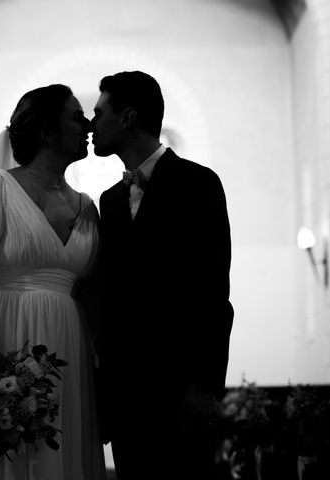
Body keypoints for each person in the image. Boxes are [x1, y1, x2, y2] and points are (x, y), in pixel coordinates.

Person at [0, 84, 106, 480]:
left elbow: (90, 291)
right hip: (8, 341)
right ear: (47, 132)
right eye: (77, 116)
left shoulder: (87, 206)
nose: (88, 124)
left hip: (69, 347)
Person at [91, 71, 234, 479]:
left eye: (99, 113)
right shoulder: (110, 201)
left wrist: (205, 385)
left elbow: (212, 292)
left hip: (182, 394)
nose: (91, 123)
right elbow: (113, 301)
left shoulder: (199, 184)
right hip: (128, 401)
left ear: (128, 117)